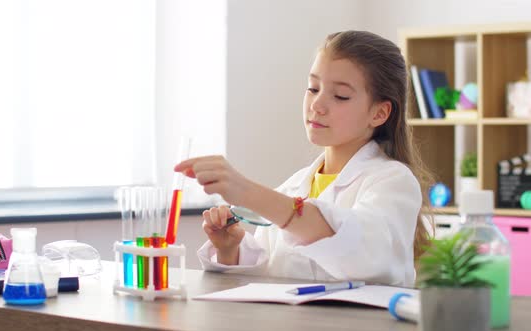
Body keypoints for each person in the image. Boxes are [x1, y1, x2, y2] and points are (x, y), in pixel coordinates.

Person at [174, 30, 433, 286]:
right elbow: (268, 282)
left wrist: (246, 192)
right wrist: (230, 251)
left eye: (340, 96)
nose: (316, 105)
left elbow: (358, 247)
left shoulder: (393, 181)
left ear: (378, 113)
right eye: (313, 88)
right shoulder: (293, 187)